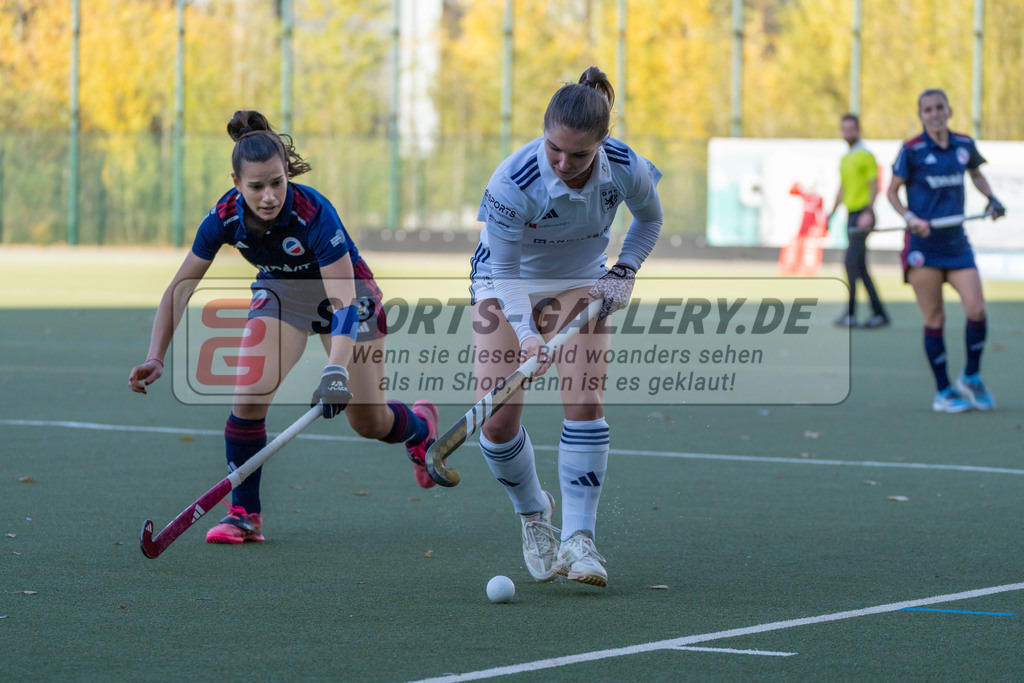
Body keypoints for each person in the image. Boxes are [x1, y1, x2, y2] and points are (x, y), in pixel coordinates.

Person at [128, 110, 440, 545]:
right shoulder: (224, 217)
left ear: (287, 173)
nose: (270, 196)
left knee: (369, 422)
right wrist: (155, 356)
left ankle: (421, 427)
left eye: (277, 182)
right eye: (256, 186)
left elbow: (343, 301)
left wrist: (335, 370)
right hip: (281, 296)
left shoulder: (313, 212)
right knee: (249, 393)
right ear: (236, 183)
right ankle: (244, 514)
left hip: (349, 299)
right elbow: (179, 288)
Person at [468, 67, 663, 588]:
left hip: (581, 279)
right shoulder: (513, 180)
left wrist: (624, 270)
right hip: (504, 282)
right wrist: (527, 334)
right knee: (496, 424)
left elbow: (649, 219)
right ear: (544, 133)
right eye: (555, 149)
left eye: (579, 155)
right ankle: (535, 513)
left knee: (584, 402)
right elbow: (504, 270)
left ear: (601, 144)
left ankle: (580, 540)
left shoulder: (625, 166)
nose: (564, 163)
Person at [886, 89, 1006, 413]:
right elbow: (892, 192)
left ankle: (971, 376)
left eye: (940, 107)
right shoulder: (911, 150)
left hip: (956, 244)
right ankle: (943, 392)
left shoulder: (964, 145)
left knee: (977, 309)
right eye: (928, 110)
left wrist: (991, 199)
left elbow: (977, 174)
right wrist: (910, 217)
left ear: (949, 111)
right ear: (921, 115)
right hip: (923, 246)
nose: (935, 114)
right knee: (935, 317)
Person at [827, 113, 889, 328]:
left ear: (858, 129)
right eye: (844, 129)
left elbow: (875, 185)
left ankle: (851, 314)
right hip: (851, 215)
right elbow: (842, 189)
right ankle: (879, 313)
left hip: (863, 215)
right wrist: (831, 213)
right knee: (859, 267)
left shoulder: (866, 156)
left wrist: (869, 212)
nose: (847, 133)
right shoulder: (845, 159)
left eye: (851, 128)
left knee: (850, 263)